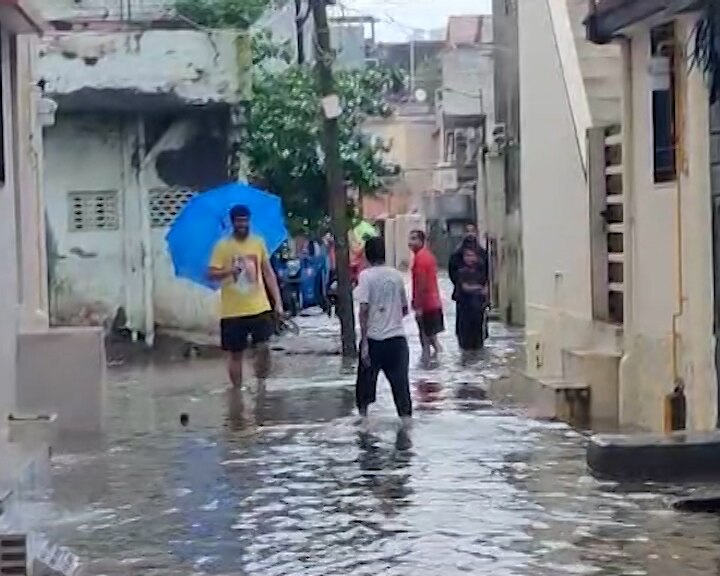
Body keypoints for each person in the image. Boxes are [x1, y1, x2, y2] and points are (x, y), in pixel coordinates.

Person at [209, 205, 283, 390]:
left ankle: (261, 383)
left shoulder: (258, 242)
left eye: (245, 220)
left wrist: (278, 302)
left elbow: (268, 272)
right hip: (232, 310)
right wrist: (229, 271)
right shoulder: (222, 246)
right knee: (235, 354)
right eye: (239, 221)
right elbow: (211, 273)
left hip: (259, 306)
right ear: (233, 222)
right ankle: (237, 391)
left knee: (264, 348)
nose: (243, 224)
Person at [355, 236, 412, 424]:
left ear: (367, 255)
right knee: (401, 390)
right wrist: (390, 316)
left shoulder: (365, 276)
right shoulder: (396, 275)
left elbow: (363, 310)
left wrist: (364, 342)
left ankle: (363, 427)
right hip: (397, 341)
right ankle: (406, 432)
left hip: (374, 340)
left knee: (364, 393)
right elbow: (405, 309)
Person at [408, 229, 444, 365]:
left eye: (413, 239)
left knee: (425, 337)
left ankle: (426, 363)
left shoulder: (421, 259)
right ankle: (435, 362)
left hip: (426, 305)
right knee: (433, 339)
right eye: (410, 239)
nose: (410, 242)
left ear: (422, 241)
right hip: (433, 303)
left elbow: (421, 283)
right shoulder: (427, 256)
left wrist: (418, 306)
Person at [449, 224, 489, 343]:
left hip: (479, 299)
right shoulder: (456, 254)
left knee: (479, 328)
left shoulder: (483, 253)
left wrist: (484, 290)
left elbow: (488, 273)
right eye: (467, 231)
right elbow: (452, 273)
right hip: (463, 298)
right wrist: (462, 286)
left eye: (472, 231)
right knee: (463, 327)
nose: (470, 234)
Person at [456, 247, 489, 351]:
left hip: (478, 308)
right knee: (465, 337)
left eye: (472, 255)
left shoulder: (480, 271)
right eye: (467, 256)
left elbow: (486, 287)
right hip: (465, 308)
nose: (469, 258)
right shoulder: (462, 272)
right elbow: (464, 287)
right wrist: (479, 288)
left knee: (478, 338)